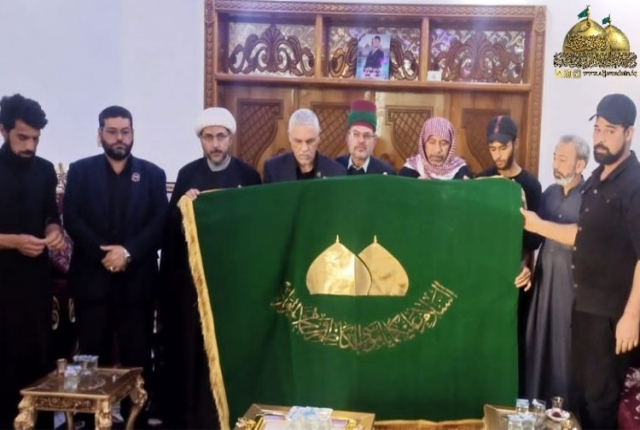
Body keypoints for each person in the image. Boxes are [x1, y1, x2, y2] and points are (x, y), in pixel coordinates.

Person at [521, 94, 640, 429]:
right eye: (597, 129)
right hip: (583, 306)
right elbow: (585, 235)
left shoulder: (634, 183)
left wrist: (632, 316)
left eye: (610, 130)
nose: (600, 137)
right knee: (581, 397)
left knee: (601, 403)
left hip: (611, 314)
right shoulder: (598, 180)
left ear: (629, 133)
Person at [159, 107, 260, 429]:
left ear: (230, 138)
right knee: (194, 348)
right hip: (196, 284)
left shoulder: (248, 176)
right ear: (200, 140)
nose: (215, 144)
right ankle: (192, 416)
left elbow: (257, 230)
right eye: (208, 137)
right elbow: (171, 230)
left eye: (221, 136)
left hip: (233, 282)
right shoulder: (188, 174)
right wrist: (185, 207)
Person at [63, 106, 167, 402]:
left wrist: (128, 253)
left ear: (133, 133)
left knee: (138, 358)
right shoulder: (80, 171)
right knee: (92, 358)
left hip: (137, 284)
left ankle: (137, 417)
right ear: (100, 135)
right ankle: (92, 417)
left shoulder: (152, 174)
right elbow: (72, 219)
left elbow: (159, 223)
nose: (119, 138)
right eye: (112, 132)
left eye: (125, 131)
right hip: (93, 282)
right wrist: (106, 255)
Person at [0, 94, 65, 429]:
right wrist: (13, 242)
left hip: (36, 283)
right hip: (2, 283)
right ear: (3, 130)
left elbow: (50, 216)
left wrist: (54, 231)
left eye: (35, 139)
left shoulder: (44, 170)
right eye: (22, 137)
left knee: (38, 363)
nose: (30, 146)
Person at [477, 115, 541, 395]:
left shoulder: (531, 185)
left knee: (514, 342)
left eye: (503, 148)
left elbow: (533, 239)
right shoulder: (482, 180)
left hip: (517, 278)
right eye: (492, 149)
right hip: (485, 277)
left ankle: (512, 403)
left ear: (515, 143)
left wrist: (525, 265)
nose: (498, 155)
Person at [525, 135, 589, 406]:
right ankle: (533, 407)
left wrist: (538, 224)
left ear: (580, 165)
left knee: (564, 350)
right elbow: (533, 238)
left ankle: (564, 413)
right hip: (544, 283)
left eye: (562, 159)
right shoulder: (550, 193)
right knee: (538, 344)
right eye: (554, 157)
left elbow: (581, 236)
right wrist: (525, 265)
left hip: (571, 288)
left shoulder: (589, 197)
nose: (555, 164)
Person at [263, 109, 346, 182]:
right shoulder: (273, 170)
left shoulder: (336, 172)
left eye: (310, 141)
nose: (304, 148)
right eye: (298, 141)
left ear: (319, 136)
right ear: (289, 137)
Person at [399, 116, 472, 179]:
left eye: (444, 143)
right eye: (432, 142)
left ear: (450, 147)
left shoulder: (461, 171)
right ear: (423, 144)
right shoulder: (408, 172)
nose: (437, 150)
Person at [335, 100, 396, 175]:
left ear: (374, 142)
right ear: (348, 139)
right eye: (356, 134)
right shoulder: (334, 168)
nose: (361, 140)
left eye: (367, 135)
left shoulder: (386, 173)